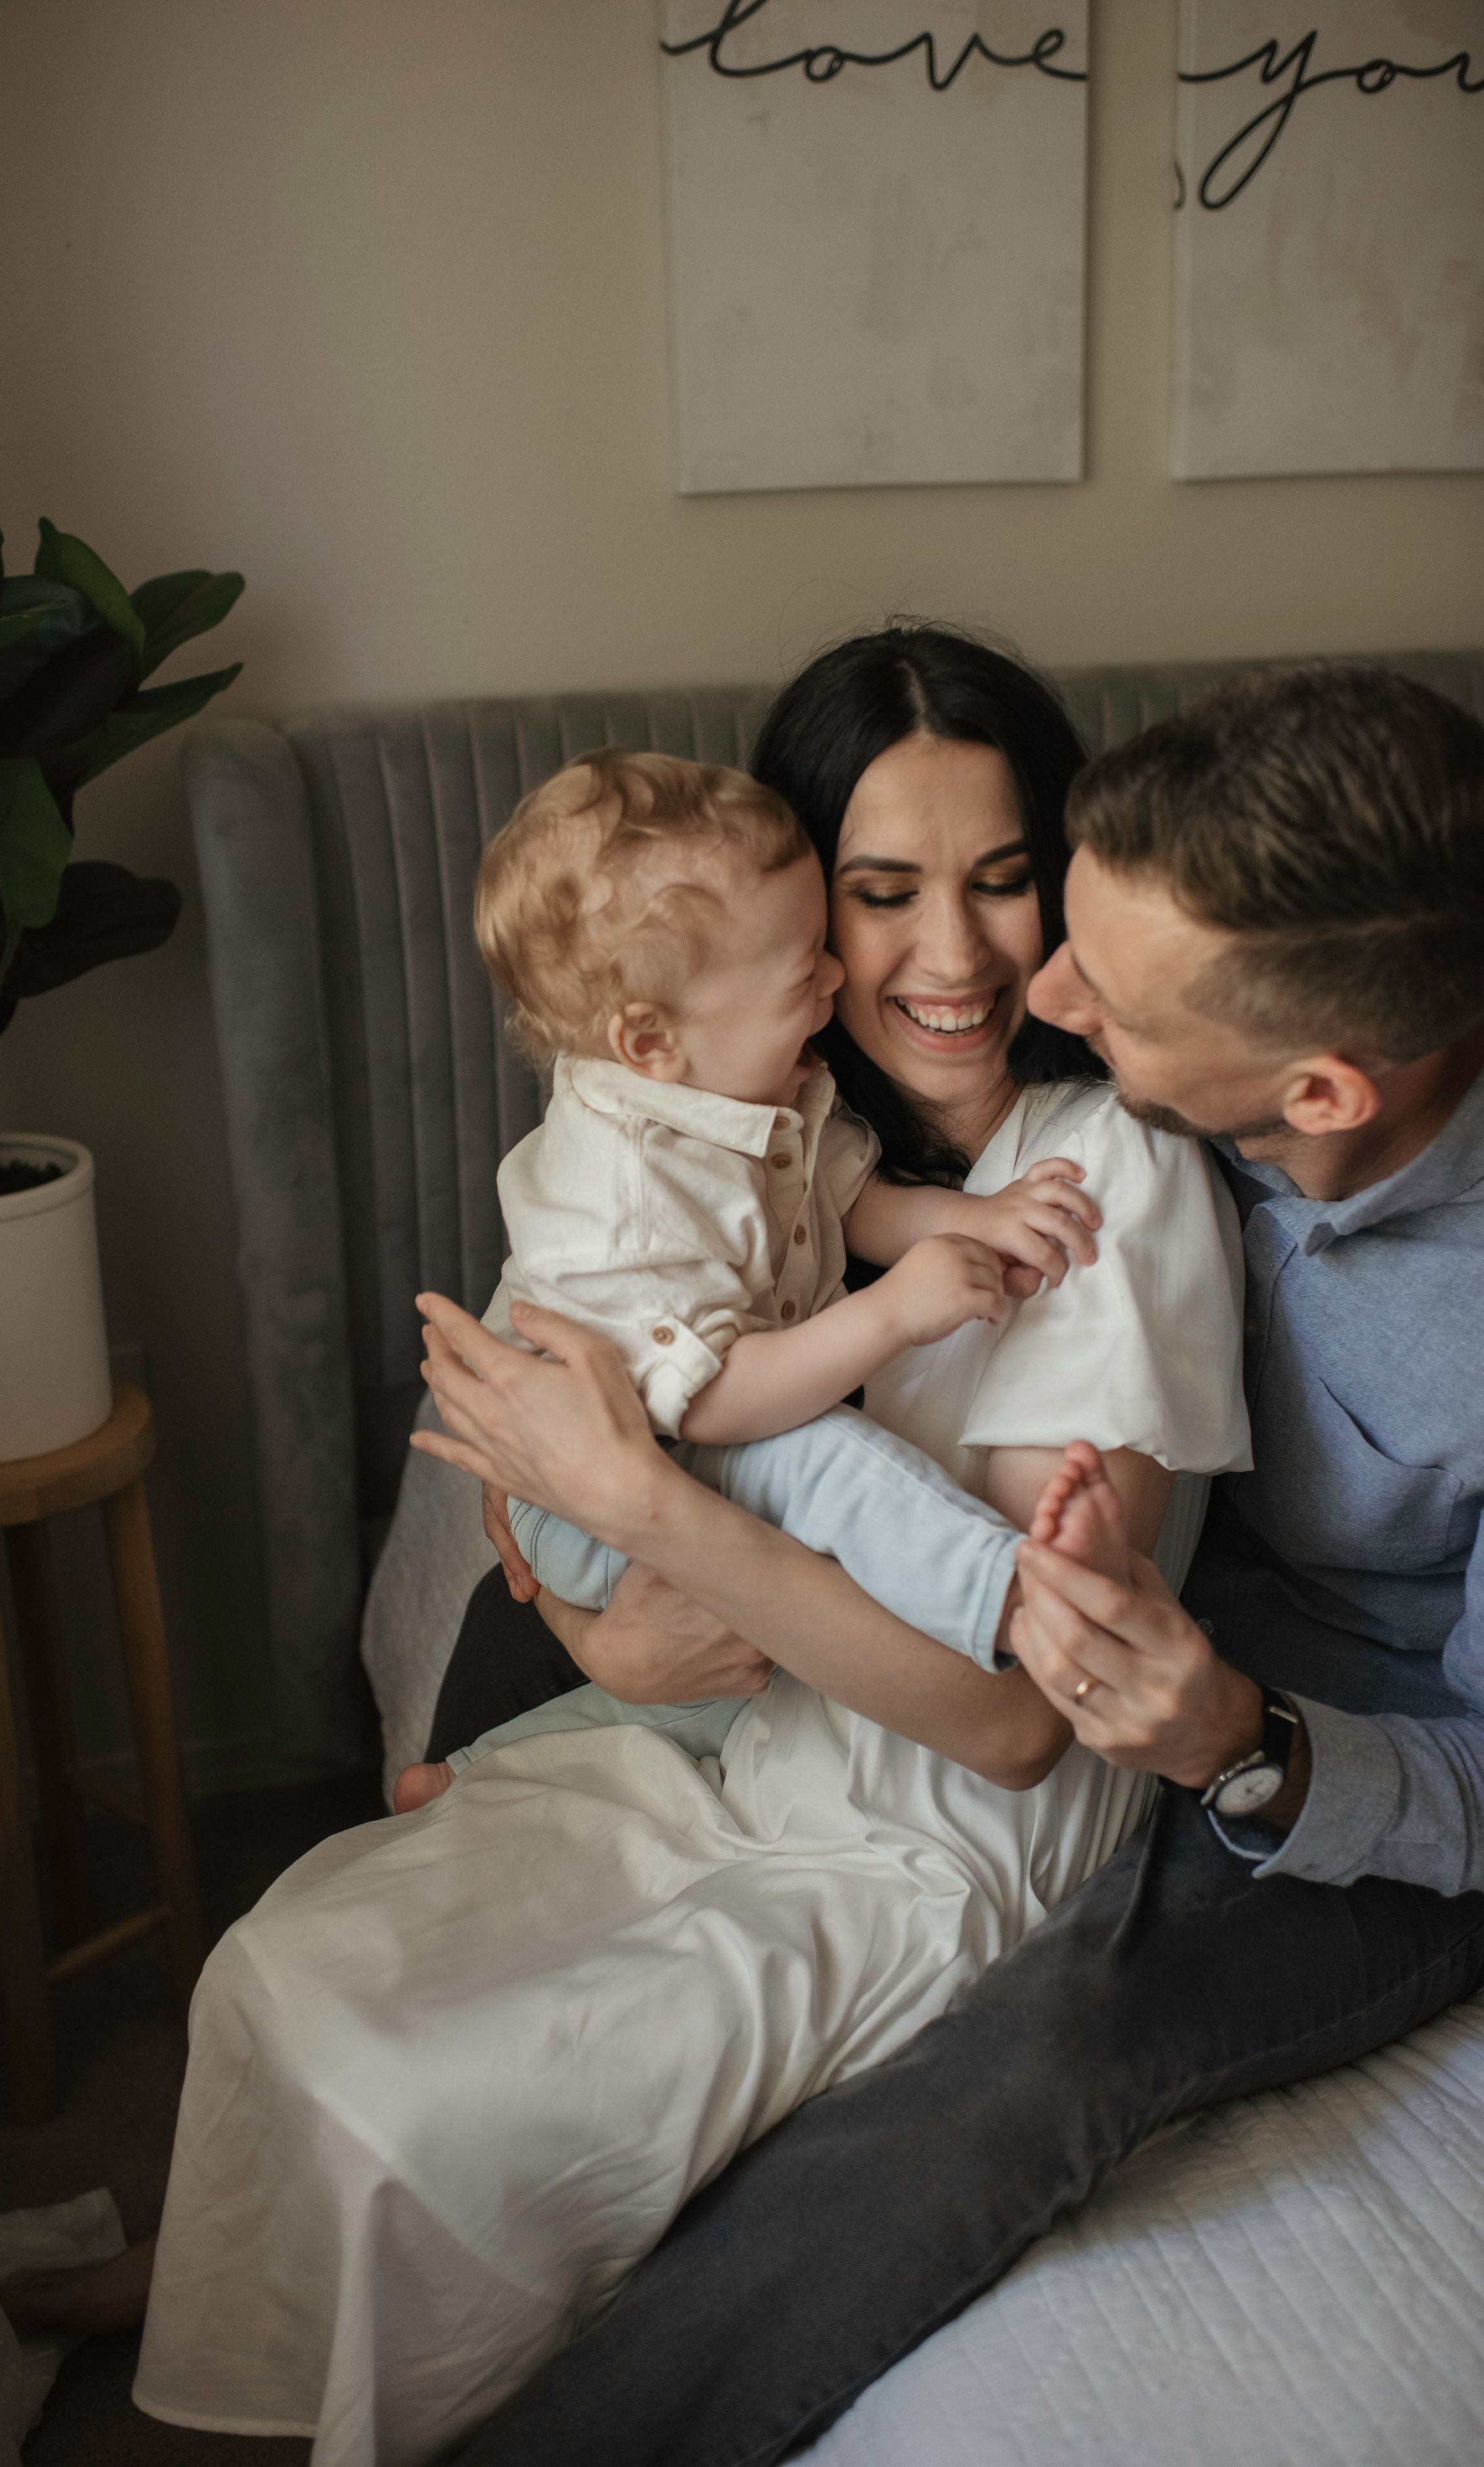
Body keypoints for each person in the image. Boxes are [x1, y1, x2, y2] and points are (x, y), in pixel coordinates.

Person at [127, 627, 1250, 2461]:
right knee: (291, 1958)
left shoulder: (1106, 1180)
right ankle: (210, 2299)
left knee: (437, 2102)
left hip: (935, 1836)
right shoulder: (734, 1136)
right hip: (743, 1745)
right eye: (878, 896)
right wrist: (600, 1642)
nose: (946, 955)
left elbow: (1020, 1719)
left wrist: (653, 1516)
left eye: (998, 880)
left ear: (1069, 887)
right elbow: (535, 1430)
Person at [399, 659, 1484, 2466]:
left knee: (1033, 2063)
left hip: (1318, 1756)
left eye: (1100, 990)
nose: (1019, 983)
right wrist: (586, 1618)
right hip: (998, 1667)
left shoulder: (1145, 1179)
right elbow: (583, 1402)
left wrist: (1248, 1741)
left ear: (1314, 1090)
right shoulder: (823, 1129)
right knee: (458, 1834)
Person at [396, 740, 1105, 1809]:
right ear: (649, 1039)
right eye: (807, 966)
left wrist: (979, 1218)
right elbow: (720, 1399)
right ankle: (1006, 1597)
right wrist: (897, 1316)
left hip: (651, 1453)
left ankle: (486, 1780)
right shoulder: (627, 1191)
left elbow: (847, 1199)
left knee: (730, 1690)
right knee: (817, 1462)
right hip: (609, 1476)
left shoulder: (736, 1086)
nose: (833, 977)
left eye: (1000, 880)